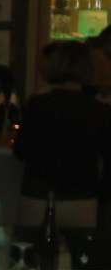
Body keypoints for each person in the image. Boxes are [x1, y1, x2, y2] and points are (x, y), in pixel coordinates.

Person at [13, 41, 111, 231]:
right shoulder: (100, 110)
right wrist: (101, 196)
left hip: (38, 195)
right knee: (78, 247)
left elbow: (21, 150)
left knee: (32, 245)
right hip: (82, 198)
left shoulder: (38, 105)